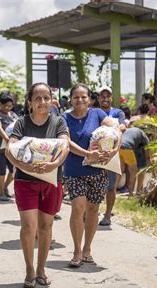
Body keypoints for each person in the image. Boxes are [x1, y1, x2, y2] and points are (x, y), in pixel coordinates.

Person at [5, 82, 69, 288]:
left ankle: (41, 269)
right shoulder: (21, 123)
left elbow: (65, 146)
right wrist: (23, 165)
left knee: (46, 226)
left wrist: (54, 164)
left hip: (52, 180)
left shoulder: (59, 122)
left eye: (46, 98)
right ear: (30, 102)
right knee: (28, 227)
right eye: (37, 98)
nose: (42, 102)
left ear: (52, 101)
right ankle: (29, 270)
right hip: (25, 181)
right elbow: (9, 149)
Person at [63, 83, 119, 267]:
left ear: (90, 99)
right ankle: (77, 251)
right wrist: (88, 154)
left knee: (93, 210)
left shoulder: (98, 114)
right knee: (78, 207)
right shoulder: (64, 118)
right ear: (71, 99)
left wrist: (113, 150)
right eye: (76, 97)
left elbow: (115, 131)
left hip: (97, 171)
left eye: (83, 97)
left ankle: (87, 249)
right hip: (74, 171)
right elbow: (67, 143)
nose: (80, 100)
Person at [96, 85, 125, 227]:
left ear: (111, 98)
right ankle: (91, 212)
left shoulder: (118, 112)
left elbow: (123, 127)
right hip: (95, 153)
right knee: (93, 184)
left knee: (111, 186)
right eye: (102, 96)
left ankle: (107, 215)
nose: (105, 98)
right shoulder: (93, 112)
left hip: (112, 154)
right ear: (98, 98)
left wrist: (113, 130)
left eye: (108, 96)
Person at [0, 92, 18, 201]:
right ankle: (1, 193)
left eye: (10, 106)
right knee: (1, 171)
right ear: (0, 104)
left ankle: (5, 187)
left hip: (11, 148)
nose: (7, 108)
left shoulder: (14, 116)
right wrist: (8, 140)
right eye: (5, 105)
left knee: (13, 170)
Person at [115, 127, 150, 196]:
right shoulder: (144, 135)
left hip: (118, 147)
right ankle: (130, 192)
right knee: (133, 170)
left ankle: (113, 190)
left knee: (120, 170)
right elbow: (147, 153)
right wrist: (149, 162)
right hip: (127, 147)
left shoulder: (131, 130)